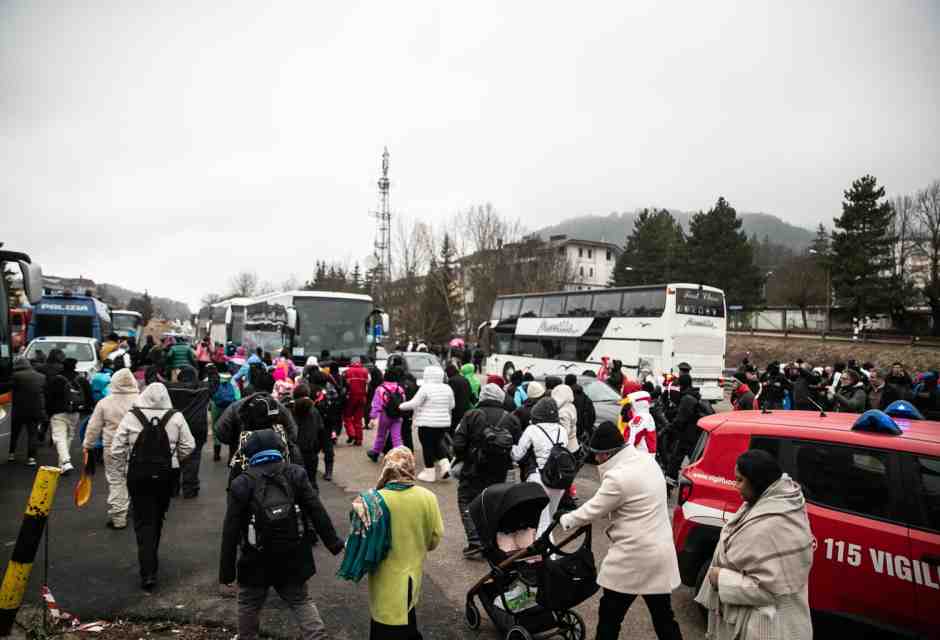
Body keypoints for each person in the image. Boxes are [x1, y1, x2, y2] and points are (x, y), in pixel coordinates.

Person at [559, 422, 682, 640]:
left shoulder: (618, 478)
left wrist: (566, 519)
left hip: (632, 557)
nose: (595, 460)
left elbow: (593, 509)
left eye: (597, 455)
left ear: (607, 454)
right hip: (660, 552)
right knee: (664, 617)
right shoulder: (646, 460)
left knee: (610, 616)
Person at [219, 429, 343, 640]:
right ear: (280, 448)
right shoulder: (295, 473)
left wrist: (227, 573)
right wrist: (334, 543)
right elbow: (316, 510)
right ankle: (317, 636)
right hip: (293, 554)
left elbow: (230, 529)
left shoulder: (242, 482)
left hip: (255, 558)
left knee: (249, 602)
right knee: (300, 600)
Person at [696, 449, 813, 640]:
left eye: (740, 480)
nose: (736, 486)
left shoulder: (774, 523)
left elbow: (769, 591)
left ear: (757, 481)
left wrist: (722, 578)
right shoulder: (767, 502)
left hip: (769, 629)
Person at [111, 383, 195, 590]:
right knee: (157, 515)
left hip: (138, 476)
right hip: (167, 475)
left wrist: (125, 468)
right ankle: (152, 555)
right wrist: (174, 460)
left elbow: (116, 448)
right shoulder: (176, 417)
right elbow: (189, 445)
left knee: (142, 520)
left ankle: (148, 569)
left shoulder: (132, 416)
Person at [364, 447, 444, 639]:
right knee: (407, 613)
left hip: (383, 575)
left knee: (384, 622)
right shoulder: (428, 497)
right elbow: (435, 538)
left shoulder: (374, 500)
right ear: (411, 467)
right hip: (411, 573)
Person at [452, 383, 520, 557]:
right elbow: (517, 447)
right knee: (493, 504)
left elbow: (458, 445)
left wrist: (466, 456)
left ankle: (475, 541)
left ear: (482, 396)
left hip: (473, 470)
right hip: (500, 471)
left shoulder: (471, 415)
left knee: (466, 500)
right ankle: (493, 541)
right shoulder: (511, 418)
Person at [83, 368, 139, 528]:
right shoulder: (141, 401)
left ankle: (119, 517)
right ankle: (137, 511)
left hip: (112, 447)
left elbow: (93, 427)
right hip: (137, 447)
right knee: (135, 479)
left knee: (116, 480)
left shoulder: (105, 402)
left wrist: (87, 445)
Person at [511, 397, 567, 536]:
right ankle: (551, 555)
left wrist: (510, 445)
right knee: (549, 523)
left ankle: (543, 556)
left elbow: (517, 455)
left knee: (540, 523)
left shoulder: (532, 429)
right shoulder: (562, 430)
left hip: (539, 480)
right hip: (559, 481)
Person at [399, 365, 455, 482]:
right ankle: (446, 466)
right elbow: (452, 405)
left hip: (427, 423)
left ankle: (429, 473)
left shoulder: (425, 388)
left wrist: (401, 406)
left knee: (427, 446)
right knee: (438, 443)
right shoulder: (447, 388)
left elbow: (414, 403)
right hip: (443, 423)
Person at [166, 366, 212, 498]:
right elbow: (215, 383)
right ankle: (190, 488)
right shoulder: (203, 388)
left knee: (174, 455)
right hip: (198, 427)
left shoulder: (171, 388)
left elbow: (153, 382)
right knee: (194, 456)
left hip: (176, 426)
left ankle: (173, 488)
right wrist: (210, 369)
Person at [46, 357, 88, 473]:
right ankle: (63, 464)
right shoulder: (81, 379)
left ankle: (65, 461)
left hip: (58, 413)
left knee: (59, 437)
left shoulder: (56, 379)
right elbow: (88, 395)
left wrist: (48, 412)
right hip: (75, 412)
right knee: (69, 436)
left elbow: (49, 397)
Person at [665, 374, 708, 484]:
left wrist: (665, 430)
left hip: (689, 435)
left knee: (677, 459)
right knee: (689, 459)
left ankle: (671, 482)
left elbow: (680, 420)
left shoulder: (686, 398)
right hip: (693, 434)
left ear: (682, 385)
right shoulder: (691, 395)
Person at [8, 357, 46, 466]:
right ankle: (31, 458)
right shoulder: (41, 377)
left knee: (14, 433)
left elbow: (8, 388)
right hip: (35, 410)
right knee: (32, 434)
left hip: (18, 409)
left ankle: (11, 454)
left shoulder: (15, 376)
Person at [292, 383, 328, 490]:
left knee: (296, 482)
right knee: (311, 481)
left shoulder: (290, 409)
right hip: (310, 451)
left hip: (295, 451)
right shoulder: (314, 411)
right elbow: (321, 431)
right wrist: (320, 447)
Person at [367, 367, 406, 463]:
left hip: (384, 415)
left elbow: (376, 404)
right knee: (397, 437)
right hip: (397, 415)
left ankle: (375, 453)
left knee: (381, 436)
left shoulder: (380, 389)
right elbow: (403, 401)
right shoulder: (399, 388)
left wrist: (372, 417)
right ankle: (400, 456)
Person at [342, 357, 370, 446]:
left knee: (347, 417)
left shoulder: (347, 371)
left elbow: (343, 384)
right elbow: (368, 383)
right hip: (362, 397)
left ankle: (352, 434)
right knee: (358, 419)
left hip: (351, 397)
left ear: (351, 362)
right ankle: (359, 440)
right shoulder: (365, 371)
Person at [565, 373, 596, 445]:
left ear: (566, 383)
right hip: (583, 433)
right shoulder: (584, 396)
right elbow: (592, 415)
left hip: (571, 433)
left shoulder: (566, 398)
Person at [446, 363, 472, 434]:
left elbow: (450, 396)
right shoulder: (465, 379)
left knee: (453, 430)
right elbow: (470, 393)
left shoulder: (452, 381)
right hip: (466, 408)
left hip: (456, 410)